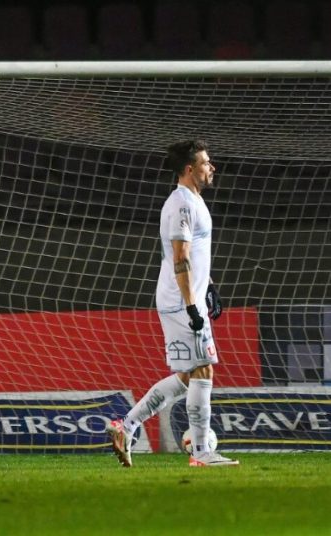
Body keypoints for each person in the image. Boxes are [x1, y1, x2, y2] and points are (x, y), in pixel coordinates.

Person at [106, 140, 239, 467]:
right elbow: (179, 257)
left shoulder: (194, 201)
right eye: (207, 162)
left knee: (187, 376)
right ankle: (202, 453)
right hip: (181, 301)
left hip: (186, 296)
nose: (212, 168)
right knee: (203, 368)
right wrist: (193, 306)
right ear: (190, 168)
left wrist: (209, 289)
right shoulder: (180, 204)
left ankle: (127, 426)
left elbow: (194, 257)